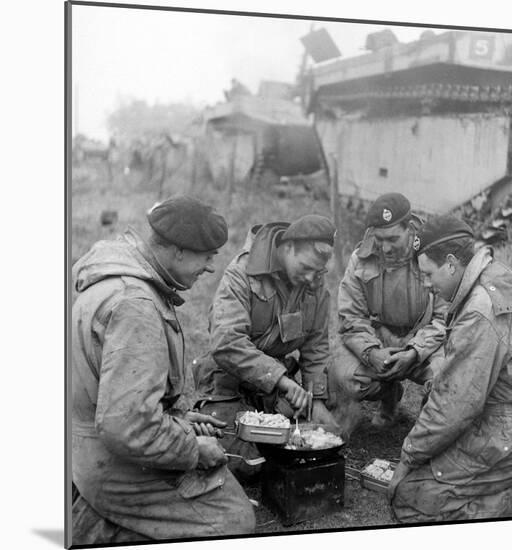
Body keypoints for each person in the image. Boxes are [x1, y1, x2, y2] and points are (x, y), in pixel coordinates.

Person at [71, 195, 255, 546]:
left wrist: (179, 421)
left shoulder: (118, 279)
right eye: (206, 256)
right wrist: (193, 447)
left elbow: (115, 397)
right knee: (233, 520)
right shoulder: (136, 306)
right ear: (179, 251)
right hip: (111, 463)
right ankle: (96, 528)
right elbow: (127, 426)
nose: (210, 267)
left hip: (90, 446)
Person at [388, 215, 512, 522]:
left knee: (410, 497)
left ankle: (511, 506)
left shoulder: (480, 310)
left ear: (451, 264)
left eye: (428, 274)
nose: (427, 285)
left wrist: (407, 459)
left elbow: (454, 406)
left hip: (509, 429)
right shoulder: (490, 274)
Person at [194, 214, 338, 477]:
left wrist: (316, 399)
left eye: (317, 272)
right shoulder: (241, 273)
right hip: (229, 378)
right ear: (287, 246)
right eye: (305, 267)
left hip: (274, 386)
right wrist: (283, 381)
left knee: (309, 439)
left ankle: (270, 416)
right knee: (243, 464)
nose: (310, 278)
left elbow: (316, 345)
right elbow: (228, 343)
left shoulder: (314, 282)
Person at [330, 193, 447, 430]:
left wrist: (414, 352)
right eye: (379, 239)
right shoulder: (360, 259)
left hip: (424, 341)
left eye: (393, 239)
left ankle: (428, 427)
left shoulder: (432, 255)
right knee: (346, 377)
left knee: (447, 377)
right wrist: (371, 352)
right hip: (378, 339)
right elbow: (351, 317)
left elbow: (445, 318)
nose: (386, 247)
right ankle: (389, 395)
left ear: (410, 228)